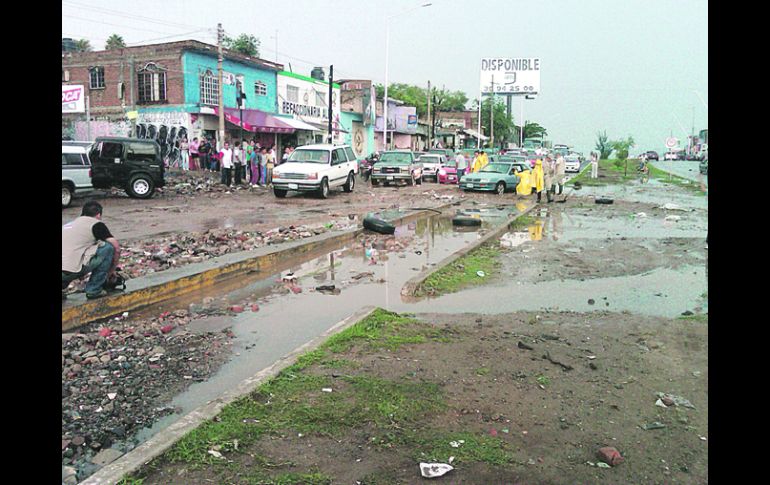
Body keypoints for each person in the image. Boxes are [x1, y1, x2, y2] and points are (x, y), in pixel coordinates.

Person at [62, 201, 121, 300]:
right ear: (98, 215)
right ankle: (94, 290)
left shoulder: (68, 225)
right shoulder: (96, 224)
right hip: (69, 272)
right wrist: (111, 271)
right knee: (107, 247)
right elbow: (117, 248)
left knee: (71, 254)